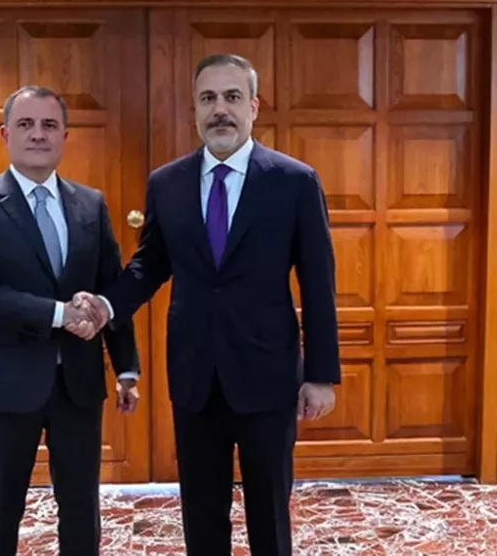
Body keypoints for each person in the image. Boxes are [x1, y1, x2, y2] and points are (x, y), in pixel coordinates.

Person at [76, 54, 341, 556]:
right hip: (194, 374)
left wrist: (321, 374)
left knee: (269, 512)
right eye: (208, 98)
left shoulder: (294, 181)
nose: (220, 109)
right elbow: (149, 265)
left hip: (267, 374)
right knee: (200, 510)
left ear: (254, 107)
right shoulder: (167, 183)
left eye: (232, 97)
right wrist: (107, 305)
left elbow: (318, 282)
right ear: (195, 110)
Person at [0, 85, 141, 556]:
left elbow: (109, 289)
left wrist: (127, 368)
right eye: (26, 124)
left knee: (80, 509)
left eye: (49, 125)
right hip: (6, 385)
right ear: (6, 135)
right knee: (1, 511)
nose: (38, 134)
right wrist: (58, 314)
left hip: (79, 384)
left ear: (64, 136)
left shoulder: (90, 204)